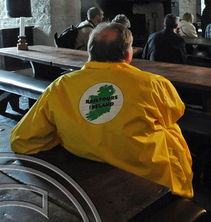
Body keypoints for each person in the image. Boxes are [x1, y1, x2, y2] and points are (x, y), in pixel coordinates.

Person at [10, 22, 194, 198]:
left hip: (84, 164)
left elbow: (22, 139)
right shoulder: (153, 83)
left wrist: (63, 135)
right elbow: (175, 113)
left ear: (90, 53)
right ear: (129, 55)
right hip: (150, 178)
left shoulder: (61, 85)